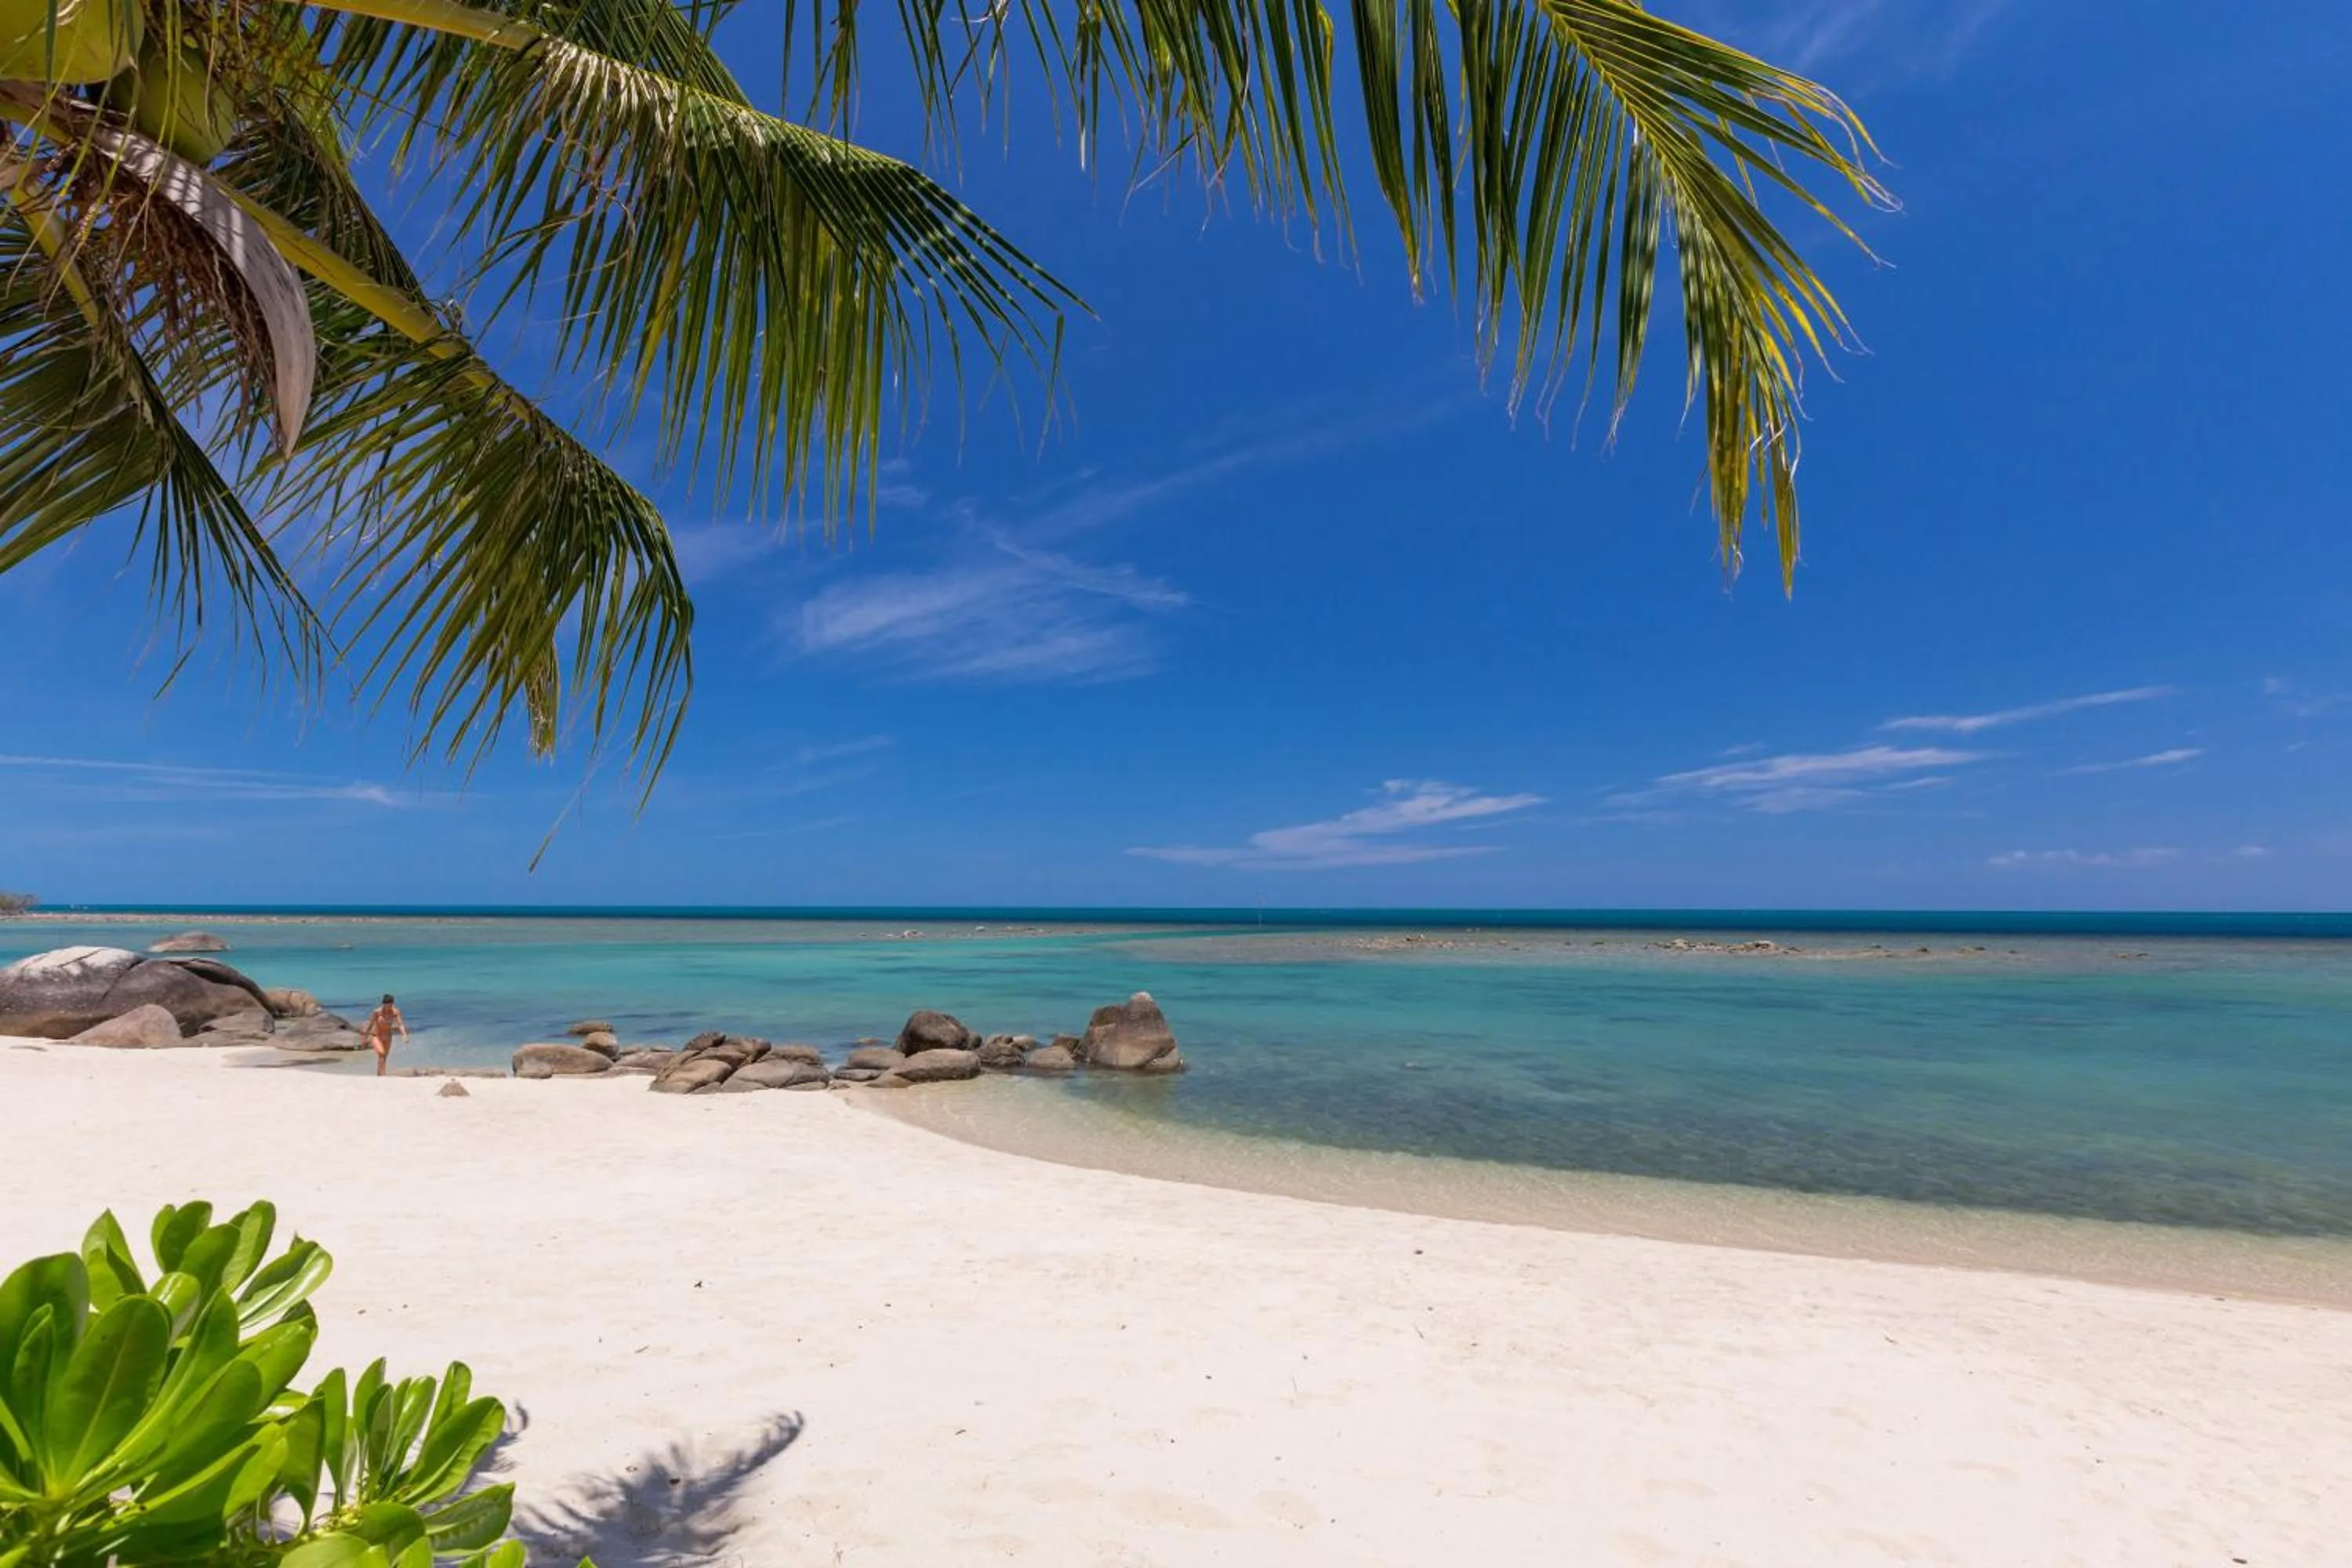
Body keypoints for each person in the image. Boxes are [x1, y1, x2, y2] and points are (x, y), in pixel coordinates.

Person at [365, 993, 408, 1077]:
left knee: (384, 1057)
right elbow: (371, 1024)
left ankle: (379, 1075)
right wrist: (365, 1037)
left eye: (390, 1005)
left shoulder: (395, 1012)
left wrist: (404, 1035)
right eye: (386, 1005)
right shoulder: (377, 1012)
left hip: (388, 1036)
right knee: (382, 1053)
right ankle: (384, 1076)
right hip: (376, 1036)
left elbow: (400, 1024)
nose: (388, 1007)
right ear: (383, 1004)